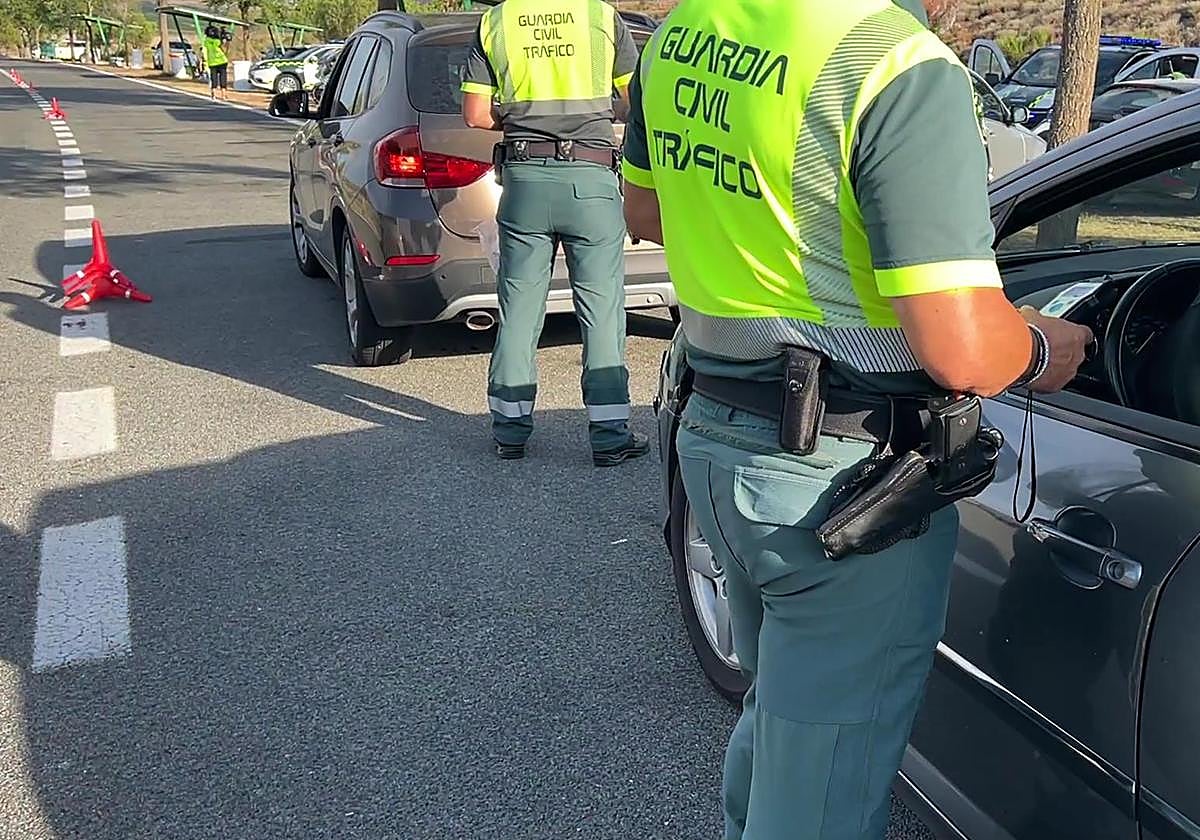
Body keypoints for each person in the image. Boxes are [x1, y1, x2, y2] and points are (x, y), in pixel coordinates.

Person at [621, 1, 1093, 838]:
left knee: (787, 730)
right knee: (823, 799)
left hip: (718, 439)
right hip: (845, 486)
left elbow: (646, 215)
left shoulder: (680, 36)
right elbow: (960, 349)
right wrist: (1040, 346)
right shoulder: (895, 66)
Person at [459, 0, 651, 466]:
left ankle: (510, 431)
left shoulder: (496, 21)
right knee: (602, 310)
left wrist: (522, 117)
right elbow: (634, 99)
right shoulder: (602, 18)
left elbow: (475, 114)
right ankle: (608, 435)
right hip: (591, 180)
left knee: (520, 310)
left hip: (525, 182)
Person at [203, 24, 229, 101]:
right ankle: (223, 95)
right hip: (222, 61)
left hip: (212, 62)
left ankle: (213, 95)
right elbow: (224, 47)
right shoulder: (218, 41)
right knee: (223, 78)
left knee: (214, 79)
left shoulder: (206, 41)